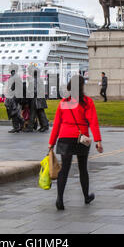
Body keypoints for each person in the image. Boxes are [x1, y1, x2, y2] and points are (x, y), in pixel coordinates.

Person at [48, 75, 103, 210]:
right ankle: (86, 197)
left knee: (64, 169)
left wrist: (51, 143)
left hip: (64, 137)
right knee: (83, 168)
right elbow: (93, 122)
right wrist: (98, 140)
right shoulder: (87, 102)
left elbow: (56, 124)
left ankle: (60, 199)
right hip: (81, 137)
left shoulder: (63, 103)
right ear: (82, 86)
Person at [5, 65, 24, 133]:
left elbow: (19, 88)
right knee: (13, 112)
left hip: (14, 97)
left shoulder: (16, 77)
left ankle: (18, 126)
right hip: (11, 97)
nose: (9, 69)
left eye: (10, 68)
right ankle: (18, 126)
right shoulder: (12, 77)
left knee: (14, 112)